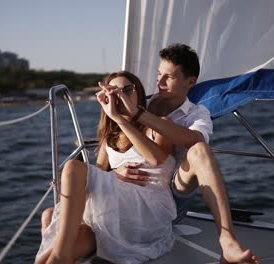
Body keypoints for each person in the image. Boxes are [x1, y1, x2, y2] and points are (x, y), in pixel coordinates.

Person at [103, 43, 260, 264]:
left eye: (169, 77)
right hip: (134, 193)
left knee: (199, 150)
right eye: (159, 74)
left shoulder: (197, 114)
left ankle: (227, 240)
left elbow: (194, 140)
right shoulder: (140, 102)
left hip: (173, 193)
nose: (160, 82)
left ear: (190, 82)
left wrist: (138, 114)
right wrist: (116, 171)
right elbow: (110, 146)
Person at [35, 71, 178, 264]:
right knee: (50, 217)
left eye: (127, 90)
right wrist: (116, 173)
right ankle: (61, 257)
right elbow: (99, 174)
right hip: (116, 209)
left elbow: (155, 158)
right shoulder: (111, 135)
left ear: (139, 92)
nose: (120, 96)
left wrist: (119, 118)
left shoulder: (159, 125)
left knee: (72, 168)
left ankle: (62, 255)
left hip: (148, 211)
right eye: (113, 92)